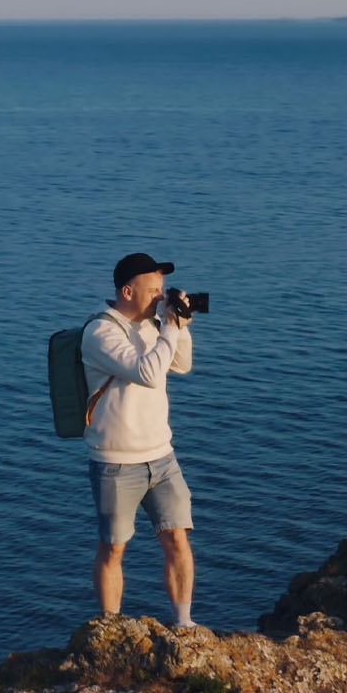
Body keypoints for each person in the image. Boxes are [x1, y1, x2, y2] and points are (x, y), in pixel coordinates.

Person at [81, 252, 200, 628]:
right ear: (127, 291)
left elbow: (181, 365)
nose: (160, 297)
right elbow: (148, 373)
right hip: (116, 461)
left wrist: (178, 325)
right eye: (154, 291)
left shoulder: (153, 325)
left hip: (162, 456)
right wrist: (167, 326)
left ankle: (183, 623)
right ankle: (110, 626)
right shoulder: (100, 333)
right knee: (114, 547)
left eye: (163, 291)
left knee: (177, 539)